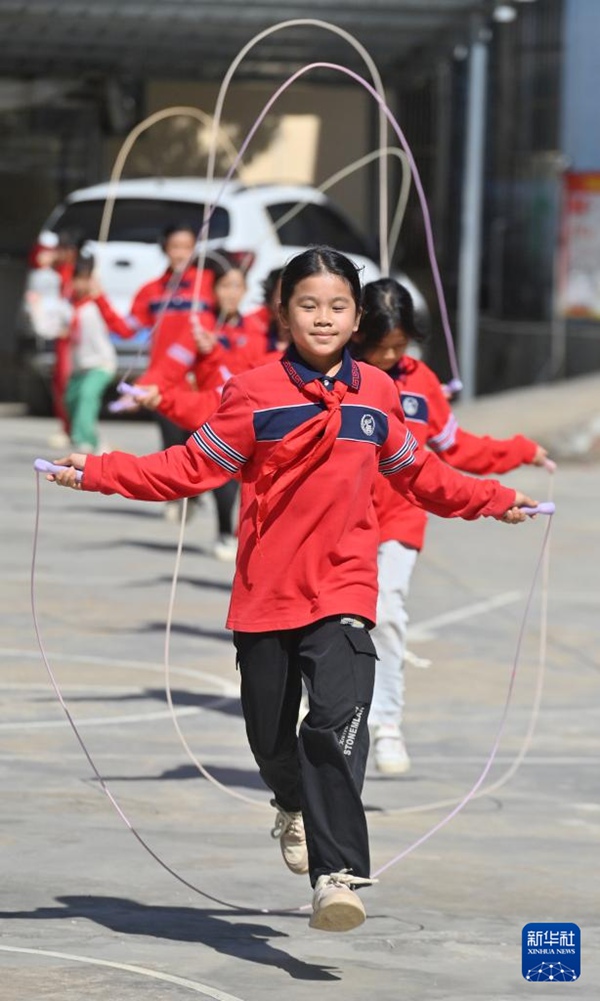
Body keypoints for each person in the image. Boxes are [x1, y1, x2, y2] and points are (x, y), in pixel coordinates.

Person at [47, 247, 538, 934]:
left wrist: (493, 498)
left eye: (338, 305)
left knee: (333, 726)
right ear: (283, 313)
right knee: (271, 738)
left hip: (343, 587)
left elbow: (423, 473)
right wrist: (98, 469)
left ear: (357, 314)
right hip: (266, 595)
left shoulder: (377, 392)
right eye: (308, 304)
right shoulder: (252, 392)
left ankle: (336, 876)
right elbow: (188, 466)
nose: (324, 318)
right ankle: (290, 800)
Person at [351, 278, 549, 775]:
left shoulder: (421, 384)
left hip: (400, 515)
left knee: (388, 611)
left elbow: (458, 449)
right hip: (341, 518)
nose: (391, 357)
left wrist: (519, 450)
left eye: (400, 346)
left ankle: (387, 724)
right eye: (380, 348)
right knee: (337, 622)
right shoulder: (337, 376)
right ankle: (329, 712)